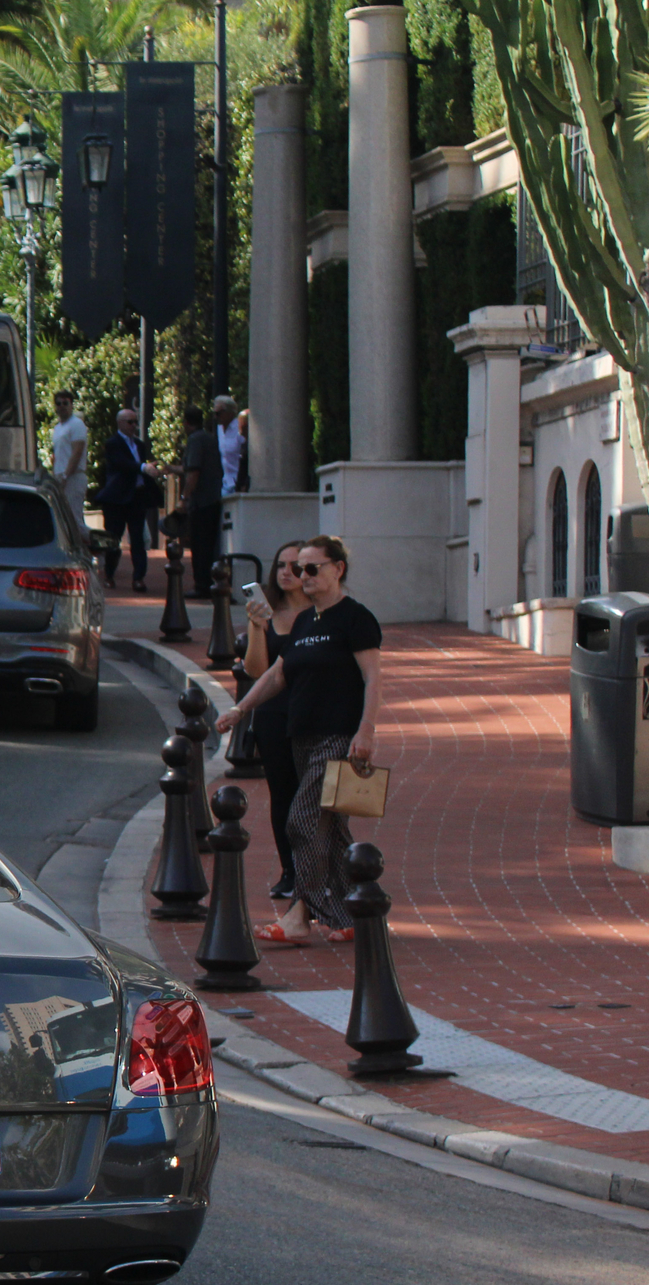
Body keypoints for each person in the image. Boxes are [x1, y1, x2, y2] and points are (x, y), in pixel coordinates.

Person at [216, 535, 384, 946]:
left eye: (312, 568)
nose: (301, 576)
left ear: (337, 569)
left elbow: (373, 678)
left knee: (302, 820)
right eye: (298, 569)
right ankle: (353, 915)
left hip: (338, 738)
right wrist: (241, 709)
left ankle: (300, 915)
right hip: (301, 736)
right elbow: (276, 674)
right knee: (333, 830)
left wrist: (366, 730)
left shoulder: (355, 618)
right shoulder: (308, 621)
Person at [241, 543, 307, 904]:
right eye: (281, 565)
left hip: (313, 713)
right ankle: (290, 872)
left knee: (313, 795)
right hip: (272, 713)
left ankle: (318, 871)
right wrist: (256, 626)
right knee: (283, 793)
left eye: (296, 566)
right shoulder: (269, 613)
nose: (287, 572)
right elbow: (255, 670)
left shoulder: (324, 613)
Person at [179, 394, 248, 592]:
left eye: (219, 413)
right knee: (213, 538)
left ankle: (208, 582)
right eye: (214, 413)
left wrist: (185, 497)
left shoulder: (238, 429)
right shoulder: (215, 432)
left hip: (230, 487)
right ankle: (211, 579)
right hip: (219, 486)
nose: (216, 417)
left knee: (207, 539)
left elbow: (195, 470)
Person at [95, 407, 164, 591]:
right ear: (120, 423)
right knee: (113, 540)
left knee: (138, 540)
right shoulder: (113, 443)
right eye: (129, 422)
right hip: (116, 500)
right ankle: (109, 574)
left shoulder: (140, 445)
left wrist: (151, 471)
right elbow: (122, 464)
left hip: (136, 498)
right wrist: (143, 467)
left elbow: (140, 467)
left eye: (135, 421)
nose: (133, 425)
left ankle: (139, 578)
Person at [49, 389, 90, 533]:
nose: (62, 406)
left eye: (65, 403)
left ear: (71, 405)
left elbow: (77, 451)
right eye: (58, 403)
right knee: (63, 519)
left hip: (73, 476)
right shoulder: (57, 428)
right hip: (61, 477)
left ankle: (101, 551)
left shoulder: (76, 424)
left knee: (74, 520)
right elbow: (57, 455)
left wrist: (66, 475)